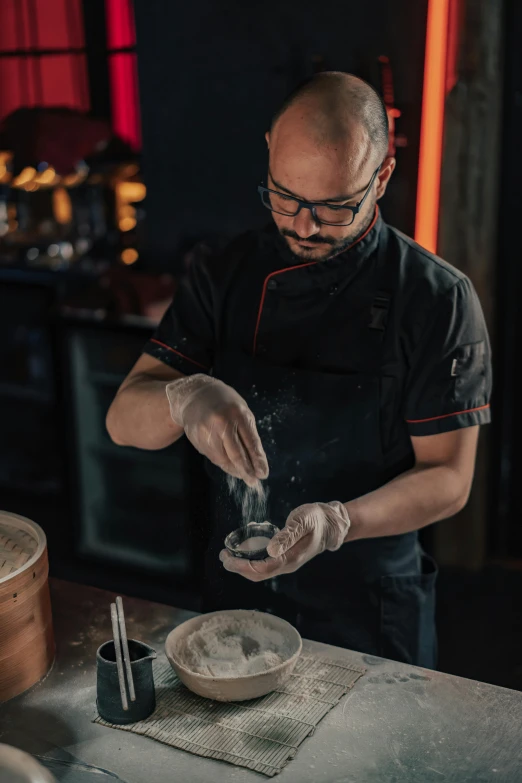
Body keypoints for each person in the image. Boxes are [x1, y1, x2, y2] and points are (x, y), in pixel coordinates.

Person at [106, 72, 492, 668]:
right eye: (284, 197)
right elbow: (122, 421)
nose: (304, 226)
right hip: (238, 594)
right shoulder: (224, 273)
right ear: (268, 151)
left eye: (334, 207)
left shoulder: (436, 299)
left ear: (381, 178)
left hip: (370, 608)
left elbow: (449, 478)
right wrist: (185, 395)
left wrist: (340, 520)